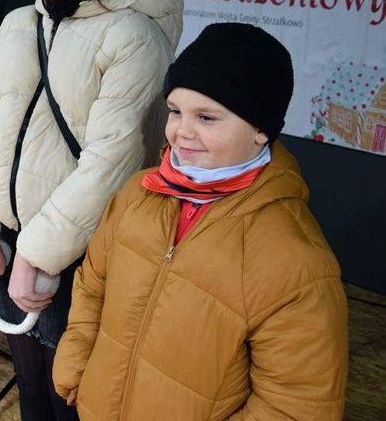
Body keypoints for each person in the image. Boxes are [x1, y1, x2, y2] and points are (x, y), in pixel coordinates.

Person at [0, 0, 183, 421]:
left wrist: (35, 255)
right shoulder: (18, 24)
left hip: (80, 254)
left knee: (71, 396)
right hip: (10, 241)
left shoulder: (133, 36)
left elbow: (112, 161)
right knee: (32, 390)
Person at [53, 22, 349, 419]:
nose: (182, 132)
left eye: (206, 117)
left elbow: (295, 404)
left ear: (261, 129)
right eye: (175, 111)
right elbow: (93, 284)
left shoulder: (294, 257)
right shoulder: (139, 192)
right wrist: (76, 363)